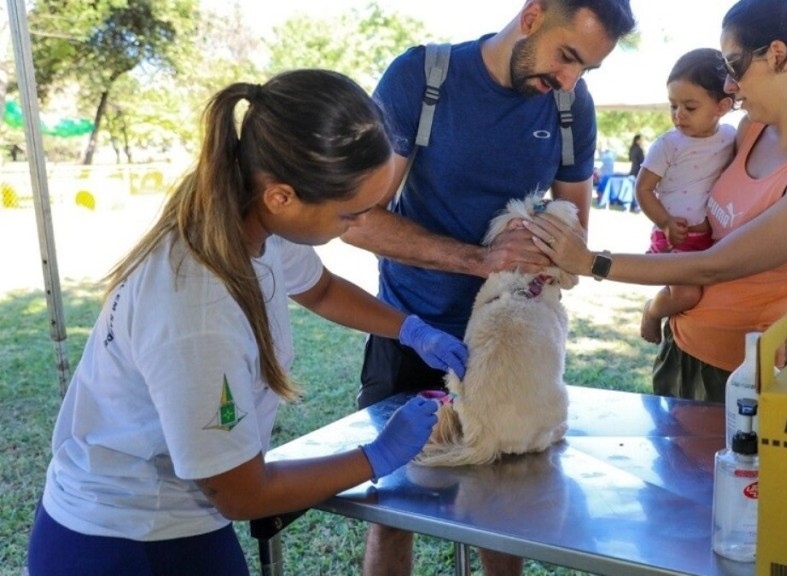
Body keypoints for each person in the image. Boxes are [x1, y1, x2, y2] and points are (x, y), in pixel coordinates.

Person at [25, 69, 469, 576]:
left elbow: (321, 289)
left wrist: (412, 329)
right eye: (351, 214)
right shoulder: (196, 312)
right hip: (124, 541)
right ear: (282, 196)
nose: (361, 225)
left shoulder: (252, 223)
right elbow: (241, 493)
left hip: (182, 520)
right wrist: (377, 456)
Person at [340, 1, 636, 574]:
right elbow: (357, 219)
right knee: (392, 502)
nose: (569, 81)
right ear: (532, 16)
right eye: (567, 56)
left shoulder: (571, 106)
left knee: (504, 514)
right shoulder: (423, 78)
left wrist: (553, 249)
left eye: (585, 71)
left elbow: (571, 228)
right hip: (412, 329)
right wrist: (479, 258)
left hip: (510, 346)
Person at [524, 0, 787, 401]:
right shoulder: (753, 129)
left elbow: (715, 266)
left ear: (777, 55)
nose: (729, 86)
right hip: (681, 342)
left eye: (734, 65)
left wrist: (591, 262)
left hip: (734, 373)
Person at [634, 48, 736, 345]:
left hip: (707, 241)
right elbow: (643, 188)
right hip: (674, 237)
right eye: (673, 105)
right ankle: (652, 312)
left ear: (723, 106)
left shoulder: (731, 137)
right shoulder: (668, 145)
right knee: (688, 295)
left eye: (690, 107)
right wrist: (665, 222)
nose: (678, 115)